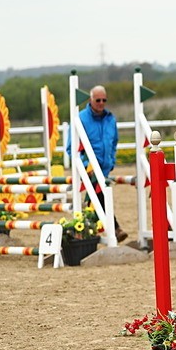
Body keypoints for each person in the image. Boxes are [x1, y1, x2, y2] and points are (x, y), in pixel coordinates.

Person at [72, 85, 127, 243]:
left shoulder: (111, 118)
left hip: (104, 168)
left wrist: (112, 160)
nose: (101, 103)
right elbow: (72, 146)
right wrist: (85, 165)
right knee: (100, 195)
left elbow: (114, 142)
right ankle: (115, 228)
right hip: (88, 169)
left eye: (104, 100)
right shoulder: (80, 118)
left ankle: (88, 232)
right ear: (91, 99)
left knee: (94, 200)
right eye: (98, 100)